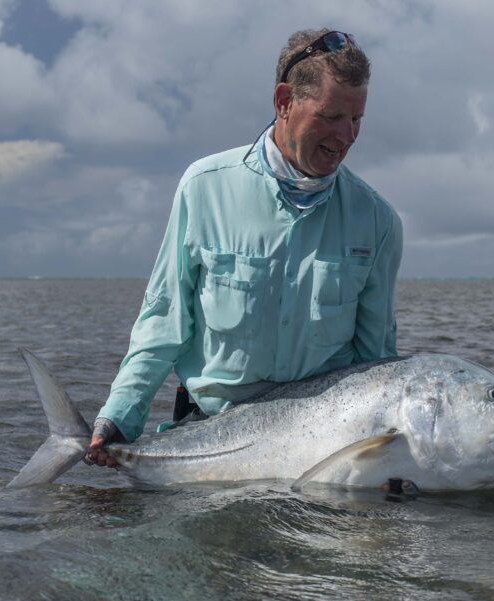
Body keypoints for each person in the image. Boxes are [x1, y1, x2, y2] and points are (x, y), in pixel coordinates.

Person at [87, 28, 403, 468]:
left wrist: (388, 460)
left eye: (357, 120)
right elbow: (164, 320)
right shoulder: (203, 187)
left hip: (319, 449)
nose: (347, 135)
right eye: (331, 116)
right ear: (283, 101)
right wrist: (120, 416)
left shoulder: (377, 220)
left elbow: (376, 366)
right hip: (209, 436)